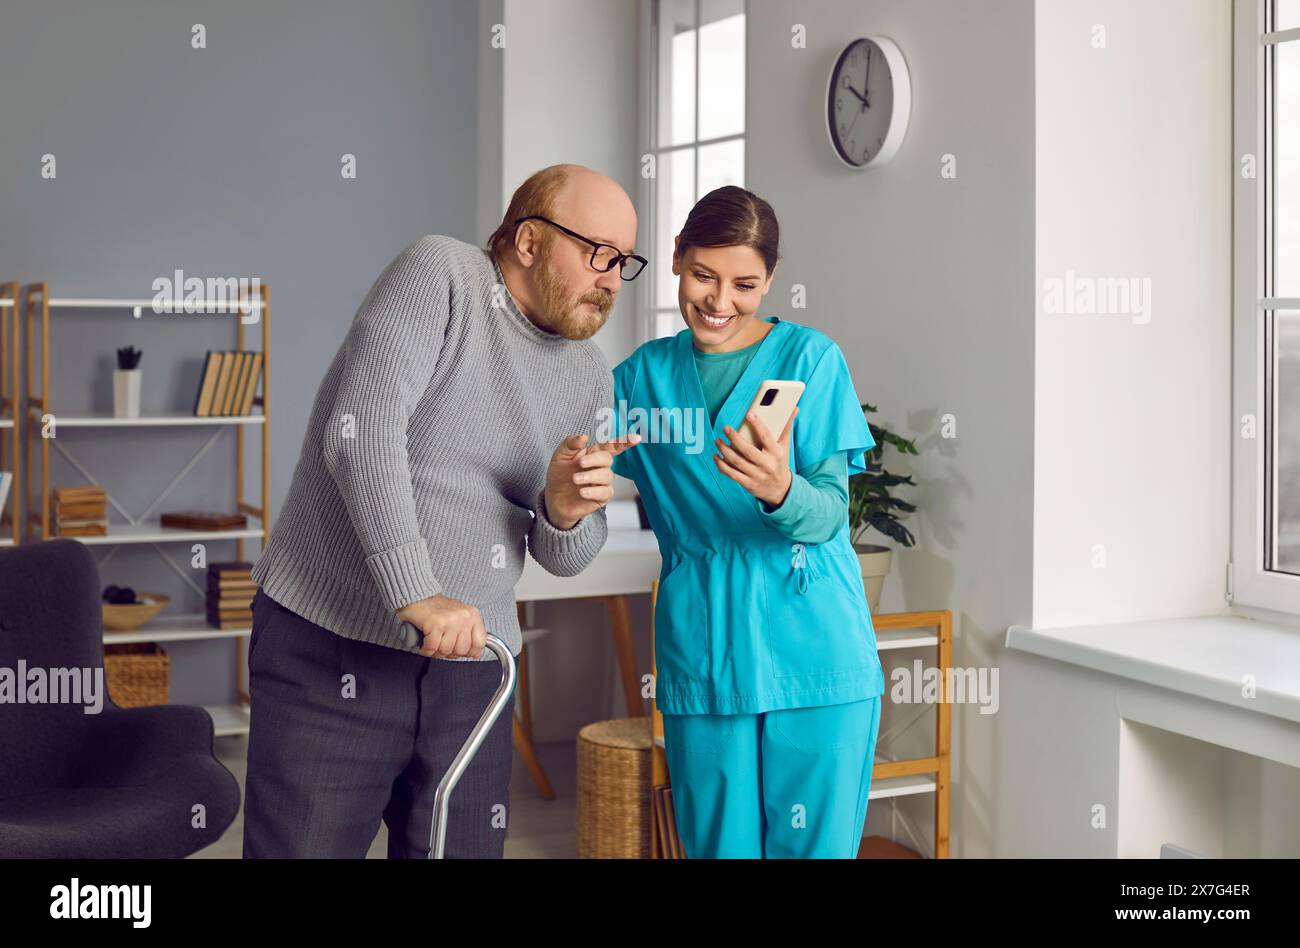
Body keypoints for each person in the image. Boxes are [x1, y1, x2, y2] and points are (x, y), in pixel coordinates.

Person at [243, 164, 642, 858]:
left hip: (473, 677)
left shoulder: (589, 372)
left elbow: (565, 557)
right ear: (527, 241)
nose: (611, 278)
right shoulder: (441, 275)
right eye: (597, 253)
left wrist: (564, 508)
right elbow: (360, 433)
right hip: (330, 648)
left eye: (624, 262)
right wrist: (416, 594)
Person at [609, 185, 884, 858]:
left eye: (745, 284)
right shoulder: (640, 380)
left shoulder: (811, 361)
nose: (719, 301)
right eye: (704, 275)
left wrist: (783, 488)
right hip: (705, 651)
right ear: (676, 258)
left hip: (814, 649)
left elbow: (827, 515)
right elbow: (563, 460)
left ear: (771, 281)